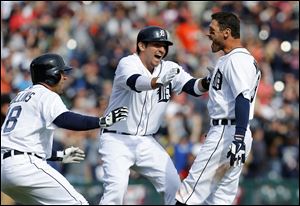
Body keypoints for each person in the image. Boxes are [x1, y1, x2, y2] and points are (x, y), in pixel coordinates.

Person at [98, 26, 211, 205]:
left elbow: (193, 87)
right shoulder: (127, 63)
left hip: (146, 141)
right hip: (117, 139)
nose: (162, 50)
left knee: (174, 186)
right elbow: (135, 82)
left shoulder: (169, 68)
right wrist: (157, 82)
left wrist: (207, 81)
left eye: (165, 46)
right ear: (142, 46)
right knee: (116, 191)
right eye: (157, 45)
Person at [1, 53, 128, 205]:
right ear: (51, 75)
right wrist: (102, 121)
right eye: (61, 73)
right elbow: (65, 119)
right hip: (24, 166)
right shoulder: (45, 94)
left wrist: (59, 155)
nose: (65, 77)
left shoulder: (19, 97)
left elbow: (22, 141)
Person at [175, 12, 261, 205]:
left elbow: (242, 98)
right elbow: (199, 88)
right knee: (220, 199)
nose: (209, 35)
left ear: (226, 32)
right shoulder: (237, 59)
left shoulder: (236, 60)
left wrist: (237, 137)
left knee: (188, 192)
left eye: (212, 30)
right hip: (234, 131)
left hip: (228, 132)